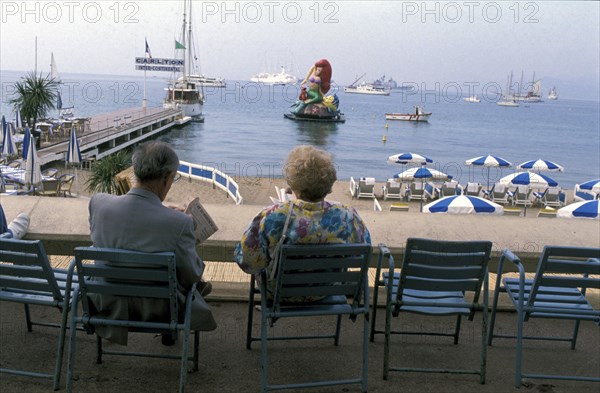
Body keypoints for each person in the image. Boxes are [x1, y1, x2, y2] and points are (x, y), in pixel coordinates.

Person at [87, 140, 217, 346]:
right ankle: (171, 335)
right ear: (166, 179)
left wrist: (162, 211)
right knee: (187, 280)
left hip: (108, 302)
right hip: (160, 309)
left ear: (136, 171)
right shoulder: (181, 223)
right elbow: (192, 275)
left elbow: (130, 224)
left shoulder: (98, 203)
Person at [234, 145, 371, 298]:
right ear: (329, 184)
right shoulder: (348, 217)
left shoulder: (273, 216)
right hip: (327, 291)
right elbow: (362, 252)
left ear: (293, 184)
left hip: (280, 294)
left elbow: (248, 263)